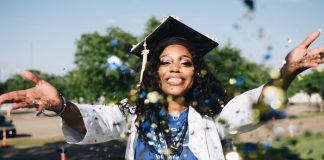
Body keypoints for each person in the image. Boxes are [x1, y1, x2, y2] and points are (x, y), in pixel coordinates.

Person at [0, 16, 323, 160]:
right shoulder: (133, 114)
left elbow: (255, 105)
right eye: (166, 62)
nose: (175, 69)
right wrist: (61, 106)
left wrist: (288, 71)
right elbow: (94, 120)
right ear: (154, 70)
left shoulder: (213, 116)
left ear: (196, 71)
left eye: (185, 62)